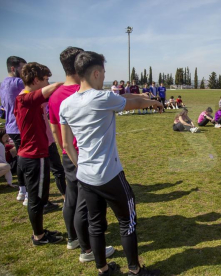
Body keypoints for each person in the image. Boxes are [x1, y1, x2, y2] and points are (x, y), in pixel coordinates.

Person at [59, 51, 162, 275]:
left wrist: (82, 168)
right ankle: (135, 271)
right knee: (127, 222)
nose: (104, 77)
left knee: (95, 225)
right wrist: (152, 101)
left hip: (85, 176)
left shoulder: (65, 105)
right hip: (110, 175)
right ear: (96, 73)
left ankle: (103, 270)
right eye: (103, 72)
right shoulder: (101, 98)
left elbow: (66, 145)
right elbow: (132, 103)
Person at [48, 47, 114, 262]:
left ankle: (73, 239)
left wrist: (64, 150)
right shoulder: (83, 92)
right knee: (86, 204)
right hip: (85, 155)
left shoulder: (56, 95)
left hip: (69, 153)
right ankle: (88, 249)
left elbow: (54, 126)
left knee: (72, 199)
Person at [14, 62, 63, 246]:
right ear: (36, 80)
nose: (47, 82)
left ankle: (39, 233)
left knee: (39, 198)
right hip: (34, 156)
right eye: (45, 79)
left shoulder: (30, 99)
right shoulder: (24, 99)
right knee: (37, 200)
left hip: (33, 155)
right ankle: (39, 237)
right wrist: (65, 82)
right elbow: (54, 88)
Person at [0, 56, 27, 201]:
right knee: (27, 159)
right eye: (22, 68)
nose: (24, 71)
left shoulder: (3, 83)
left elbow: (1, 109)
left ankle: (22, 190)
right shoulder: (18, 82)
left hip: (11, 126)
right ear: (13, 68)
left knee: (21, 157)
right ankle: (26, 191)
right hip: (20, 125)